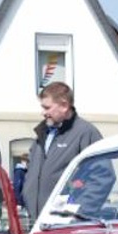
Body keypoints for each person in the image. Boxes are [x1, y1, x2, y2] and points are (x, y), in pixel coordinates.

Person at [25, 81, 104, 219]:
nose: (43, 113)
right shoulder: (43, 133)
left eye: (47, 107)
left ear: (64, 106)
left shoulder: (86, 133)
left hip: (65, 222)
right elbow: (31, 173)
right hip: (36, 220)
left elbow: (102, 178)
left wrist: (79, 214)